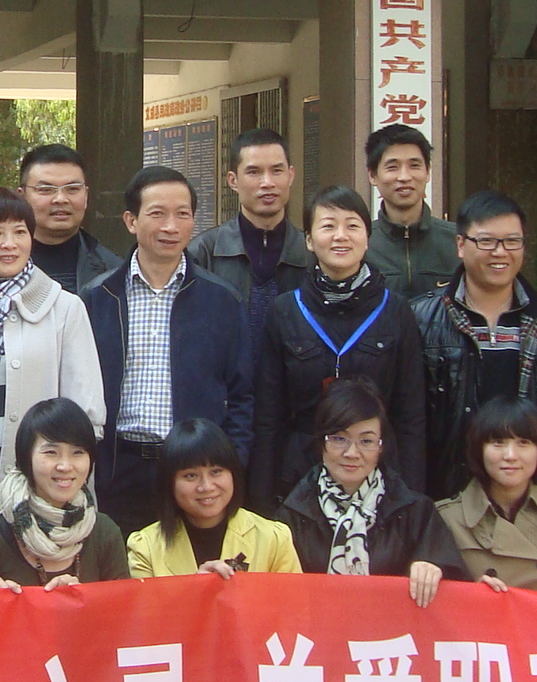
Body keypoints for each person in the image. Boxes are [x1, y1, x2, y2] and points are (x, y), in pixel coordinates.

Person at [0, 186, 105, 552]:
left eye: (20, 232)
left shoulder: (64, 309)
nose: (9, 244)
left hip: (41, 477)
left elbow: (85, 412)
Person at [81, 165, 253, 533]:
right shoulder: (97, 298)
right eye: (157, 214)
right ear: (131, 221)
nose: (171, 227)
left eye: (182, 214)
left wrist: (230, 464)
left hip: (195, 473)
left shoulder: (222, 300)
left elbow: (244, 396)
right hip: (118, 468)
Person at [252, 184, 427, 510]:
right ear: (309, 239)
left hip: (379, 480)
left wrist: (413, 500)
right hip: (300, 480)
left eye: (352, 226)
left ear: (367, 237)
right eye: (328, 226)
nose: (340, 236)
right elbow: (268, 418)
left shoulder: (395, 310)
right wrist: (261, 502)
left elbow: (411, 417)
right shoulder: (285, 311)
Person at [413, 189, 537, 501]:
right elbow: (410, 423)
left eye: (512, 241)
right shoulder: (423, 319)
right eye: (487, 241)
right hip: (448, 495)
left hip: (530, 498)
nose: (500, 252)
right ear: (461, 245)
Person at [277, 379, 468, 605]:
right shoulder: (291, 515)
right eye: (339, 439)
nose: (352, 452)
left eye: (366, 441)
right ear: (321, 443)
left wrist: (436, 569)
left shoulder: (416, 513)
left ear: (381, 446)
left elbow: (457, 591)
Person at [0, 397, 131, 589]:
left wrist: (81, 600)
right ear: (26, 458)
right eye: (51, 452)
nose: (65, 466)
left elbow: (121, 606)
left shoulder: (105, 534)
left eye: (78, 452)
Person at [434, 397, 537, 598]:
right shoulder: (448, 517)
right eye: (498, 442)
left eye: (523, 443)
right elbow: (441, 603)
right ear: (479, 450)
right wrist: (473, 595)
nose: (510, 455)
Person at [126, 417, 300, 578]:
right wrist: (196, 589)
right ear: (169, 482)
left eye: (216, 472)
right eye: (191, 475)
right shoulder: (145, 548)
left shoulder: (273, 539)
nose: (206, 486)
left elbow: (292, 601)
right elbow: (146, 603)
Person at [189, 126, 312, 339]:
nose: (267, 183)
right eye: (254, 172)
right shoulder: (203, 252)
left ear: (291, 175)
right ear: (233, 180)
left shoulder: (311, 251)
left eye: (277, 171)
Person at [364, 123, 459, 298]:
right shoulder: (360, 245)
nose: (404, 177)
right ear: (372, 175)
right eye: (392, 167)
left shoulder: (458, 242)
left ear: (428, 172)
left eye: (414, 165)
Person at [19, 143, 122, 293]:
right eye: (46, 190)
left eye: (72, 189)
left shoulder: (114, 272)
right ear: (22, 197)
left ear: (86, 196)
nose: (61, 199)